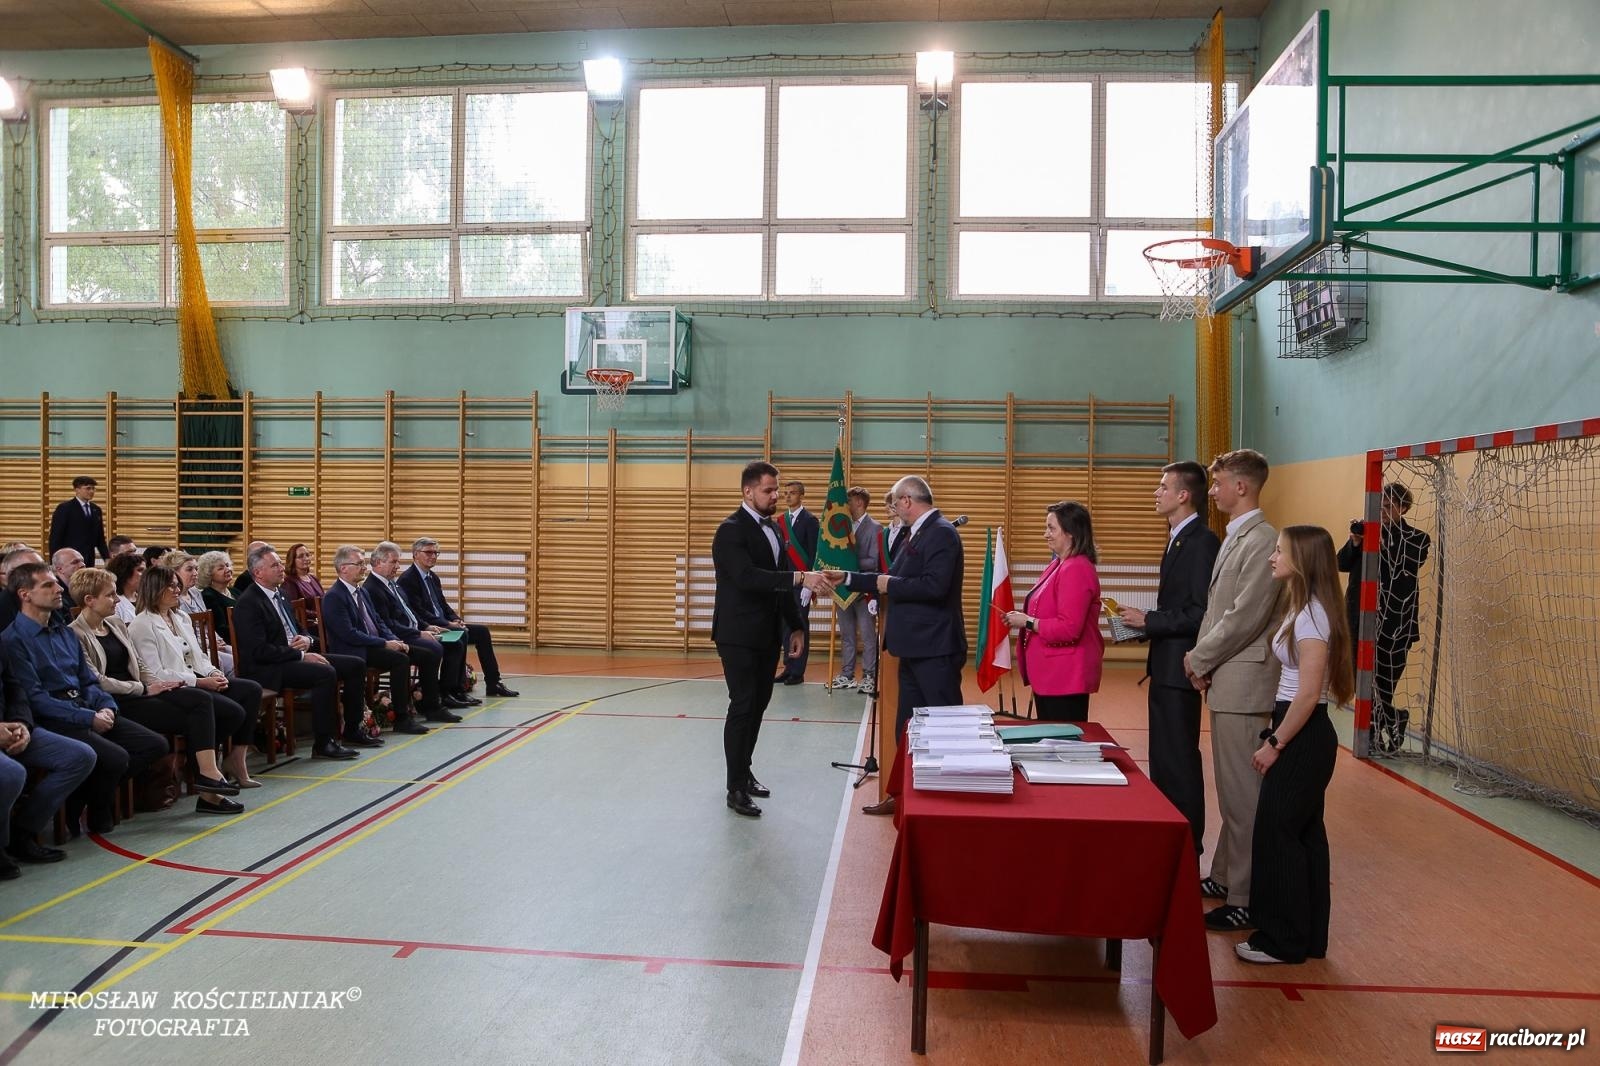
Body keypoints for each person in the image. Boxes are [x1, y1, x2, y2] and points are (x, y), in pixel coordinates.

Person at [1234, 525, 1354, 966]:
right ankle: (1306, 938)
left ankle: (1282, 941)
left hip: (1302, 732)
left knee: (1279, 835)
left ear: (1301, 560)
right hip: (1297, 728)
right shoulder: (1305, 608)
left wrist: (1275, 743)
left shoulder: (1313, 616)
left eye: (1279, 551)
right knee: (1304, 836)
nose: (1272, 557)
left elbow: (1307, 695)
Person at [1184, 449, 1282, 933]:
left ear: (1241, 486)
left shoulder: (1261, 539)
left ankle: (1245, 895)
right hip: (1228, 679)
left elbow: (1245, 617)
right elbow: (1216, 610)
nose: (1214, 490)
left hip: (1244, 683)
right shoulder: (1237, 536)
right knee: (1230, 788)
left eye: (1219, 482)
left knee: (1244, 797)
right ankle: (1226, 875)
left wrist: (1199, 658)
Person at [829, 475, 966, 816]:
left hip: (935, 649)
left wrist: (887, 583)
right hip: (913, 649)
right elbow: (887, 576)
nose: (893, 510)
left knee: (944, 729)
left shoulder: (942, 533)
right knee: (907, 730)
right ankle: (905, 798)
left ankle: (951, 803)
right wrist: (846, 578)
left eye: (895, 503)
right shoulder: (914, 532)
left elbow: (934, 587)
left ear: (907, 500)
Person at [2, 562, 168, 836]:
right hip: (55, 717)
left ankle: (82, 799)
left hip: (84, 707)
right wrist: (87, 718)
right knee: (114, 758)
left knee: (154, 744)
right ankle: (86, 811)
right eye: (48, 585)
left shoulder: (64, 633)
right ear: (25, 594)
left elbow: (88, 680)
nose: (59, 589)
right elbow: (33, 697)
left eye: (57, 582)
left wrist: (105, 706)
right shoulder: (13, 640)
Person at [70, 567, 244, 815]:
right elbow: (97, 680)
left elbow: (139, 663)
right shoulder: (75, 632)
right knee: (199, 702)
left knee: (205, 709)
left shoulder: (116, 623)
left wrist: (154, 684)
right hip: (116, 701)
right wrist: (144, 687)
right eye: (110, 595)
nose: (118, 600)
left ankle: (208, 787)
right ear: (89, 600)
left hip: (141, 692)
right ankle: (208, 780)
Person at [711, 461, 830, 818]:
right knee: (743, 705)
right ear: (747, 491)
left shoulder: (775, 530)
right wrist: (799, 578)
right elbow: (748, 578)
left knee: (759, 705)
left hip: (766, 633)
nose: (776, 495)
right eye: (768, 490)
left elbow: (777, 582)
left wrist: (795, 626)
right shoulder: (730, 531)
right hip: (737, 634)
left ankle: (744, 774)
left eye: (777, 489)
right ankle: (734, 788)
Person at [1119, 461, 1221, 867]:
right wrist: (1142, 624)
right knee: (1163, 762)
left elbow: (1200, 612)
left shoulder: (1200, 542)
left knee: (1178, 763)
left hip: (1182, 670)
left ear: (1184, 495)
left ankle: (1186, 851)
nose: (1155, 493)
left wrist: (1151, 620)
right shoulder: (1178, 538)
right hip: (1165, 667)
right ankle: (1170, 845)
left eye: (1163, 486)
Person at [127, 566, 263, 789]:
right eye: (170, 585)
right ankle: (203, 766)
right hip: (172, 688)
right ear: (154, 589)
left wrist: (213, 672)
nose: (176, 589)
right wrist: (199, 682)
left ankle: (234, 759)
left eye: (177, 584)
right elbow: (156, 673)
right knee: (231, 712)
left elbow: (198, 654)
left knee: (250, 690)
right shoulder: (142, 624)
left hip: (195, 678)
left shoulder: (180, 617)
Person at [230, 545, 362, 760]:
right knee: (324, 673)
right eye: (275, 565)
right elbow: (259, 651)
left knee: (354, 664)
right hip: (267, 668)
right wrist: (301, 655)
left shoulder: (280, 594)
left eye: (280, 563)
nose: (282, 568)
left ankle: (353, 730)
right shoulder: (248, 603)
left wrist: (307, 639)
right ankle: (323, 743)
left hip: (290, 656)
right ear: (258, 572)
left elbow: (297, 628)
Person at [1336, 482, 1430, 754]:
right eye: (1379, 506)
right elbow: (1341, 563)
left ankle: (1372, 739)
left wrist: (1376, 536)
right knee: (1359, 682)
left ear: (1404, 508)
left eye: (1389, 506)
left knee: (1384, 685)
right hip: (1359, 622)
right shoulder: (1366, 534)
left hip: (1395, 626)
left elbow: (1402, 564)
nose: (1383, 511)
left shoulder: (1418, 538)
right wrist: (1356, 541)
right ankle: (1393, 720)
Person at [1002, 500, 1103, 722]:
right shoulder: (1059, 564)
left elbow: (1069, 628)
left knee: (1062, 745)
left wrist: (1027, 622)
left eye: (1051, 528)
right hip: (1052, 674)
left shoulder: (1076, 568)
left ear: (1071, 533)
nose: (1045, 534)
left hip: (1065, 677)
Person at [1, 653, 96, 872]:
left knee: (80, 756)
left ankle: (23, 831)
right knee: (11, 774)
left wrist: (21, 723)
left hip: (11, 727)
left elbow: (15, 690)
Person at [321, 545, 429, 737]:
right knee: (400, 659)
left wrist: (393, 638)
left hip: (370, 644)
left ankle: (425, 704)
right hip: (353, 650)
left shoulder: (361, 591)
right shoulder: (334, 596)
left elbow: (378, 621)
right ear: (343, 568)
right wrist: (384, 643)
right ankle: (401, 718)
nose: (364, 568)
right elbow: (349, 634)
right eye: (360, 564)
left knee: (416, 653)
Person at [398, 538, 519, 699]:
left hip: (443, 623)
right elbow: (418, 612)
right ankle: (453, 689)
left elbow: (443, 605)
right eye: (428, 552)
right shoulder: (408, 579)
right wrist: (447, 624)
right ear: (415, 555)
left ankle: (493, 683)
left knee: (481, 632)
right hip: (427, 626)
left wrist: (456, 619)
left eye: (435, 553)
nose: (433, 556)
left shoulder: (432, 577)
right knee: (461, 634)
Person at [366, 540, 468, 721]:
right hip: (399, 635)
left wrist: (426, 626)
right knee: (432, 650)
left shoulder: (392, 583)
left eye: (398, 562)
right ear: (378, 562)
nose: (398, 567)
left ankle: (441, 695)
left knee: (453, 641)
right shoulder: (373, 588)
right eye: (393, 562)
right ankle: (430, 704)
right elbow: (388, 624)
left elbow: (410, 612)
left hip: (410, 631)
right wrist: (418, 633)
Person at [832, 486, 882, 695]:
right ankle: (847, 673)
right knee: (846, 634)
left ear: (859, 502)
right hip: (844, 590)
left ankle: (869, 675)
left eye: (849, 501)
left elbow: (874, 560)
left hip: (863, 591)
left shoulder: (875, 528)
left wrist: (849, 563)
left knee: (868, 635)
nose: (846, 505)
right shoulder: (843, 528)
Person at [773, 480, 819, 686]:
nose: (788, 496)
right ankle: (788, 667)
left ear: (802, 495)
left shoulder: (810, 521)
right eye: (786, 493)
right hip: (785, 582)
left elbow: (814, 554)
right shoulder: (779, 521)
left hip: (803, 584)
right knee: (784, 625)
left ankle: (798, 671)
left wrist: (810, 585)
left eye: (792, 493)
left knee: (799, 625)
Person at [48, 476, 110, 565]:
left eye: (93, 488)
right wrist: (54, 562)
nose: (92, 491)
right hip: (70, 559)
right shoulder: (65, 508)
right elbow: (56, 537)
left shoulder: (96, 509)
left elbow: (100, 537)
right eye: (88, 488)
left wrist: (106, 557)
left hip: (89, 557)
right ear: (77, 489)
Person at [198, 551, 241, 640]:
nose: (228, 569)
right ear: (209, 574)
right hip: (233, 642)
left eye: (227, 565)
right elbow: (221, 629)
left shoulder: (235, 591)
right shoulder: (208, 596)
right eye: (220, 568)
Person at [105, 552, 145, 624]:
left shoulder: (145, 599)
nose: (145, 574)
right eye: (140, 570)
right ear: (125, 573)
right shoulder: (114, 604)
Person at [51, 548, 87, 614]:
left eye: (82, 561)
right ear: (60, 569)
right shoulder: (55, 594)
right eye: (75, 562)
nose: (82, 565)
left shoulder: (85, 586)